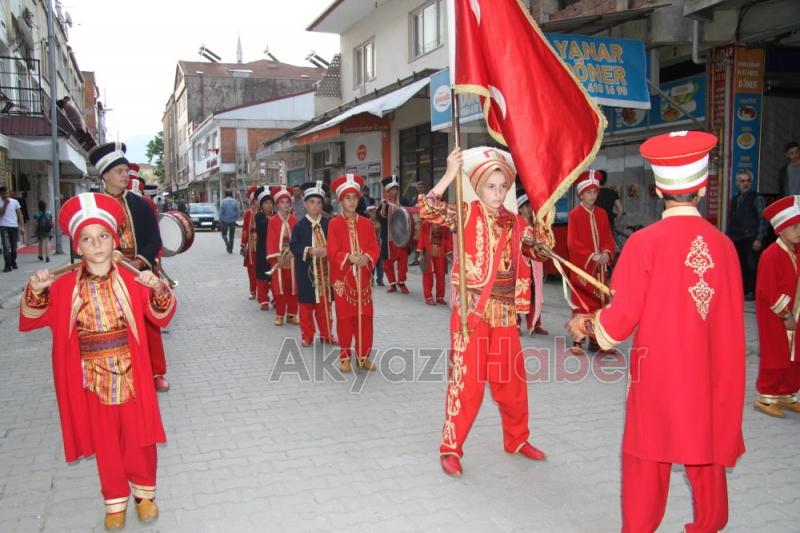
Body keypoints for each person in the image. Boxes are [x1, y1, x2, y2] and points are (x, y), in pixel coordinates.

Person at [567, 131, 745, 533]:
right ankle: (710, 522)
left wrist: (585, 323)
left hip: (660, 375)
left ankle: (640, 527)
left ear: (659, 187)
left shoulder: (645, 243)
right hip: (712, 372)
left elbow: (616, 326)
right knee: (705, 446)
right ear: (701, 187)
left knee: (648, 453)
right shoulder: (724, 246)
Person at [19, 192, 176, 531]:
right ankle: (114, 501)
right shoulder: (63, 288)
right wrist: (36, 290)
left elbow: (161, 315)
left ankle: (145, 496)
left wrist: (157, 287)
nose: (97, 245)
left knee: (139, 439)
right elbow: (32, 316)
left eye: (103, 236)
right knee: (106, 443)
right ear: (79, 246)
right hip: (91, 379)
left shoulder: (133, 279)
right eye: (88, 239)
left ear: (114, 239)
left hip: (133, 375)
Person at [418, 146, 546, 477]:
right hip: (472, 314)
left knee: (512, 382)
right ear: (478, 186)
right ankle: (450, 447)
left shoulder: (517, 222)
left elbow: (539, 251)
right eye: (491, 186)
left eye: (503, 187)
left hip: (505, 313)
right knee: (468, 382)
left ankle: (517, 439)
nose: (498, 192)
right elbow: (427, 209)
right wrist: (449, 173)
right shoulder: (467, 212)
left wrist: (543, 234)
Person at [88, 142, 170, 393]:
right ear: (105, 175)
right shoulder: (93, 206)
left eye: (126, 170)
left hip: (138, 272)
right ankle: (118, 371)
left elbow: (154, 240)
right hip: (105, 274)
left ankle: (156, 373)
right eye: (119, 171)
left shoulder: (141, 204)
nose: (126, 176)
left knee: (149, 323)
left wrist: (139, 263)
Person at [327, 174, 380, 372]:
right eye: (348, 198)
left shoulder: (366, 223)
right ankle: (344, 356)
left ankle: (363, 356)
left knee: (365, 318)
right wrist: (349, 258)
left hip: (363, 279)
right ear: (340, 200)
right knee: (344, 318)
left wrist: (366, 257)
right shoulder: (333, 224)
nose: (352, 201)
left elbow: (374, 248)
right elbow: (332, 250)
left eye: (355, 198)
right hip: (342, 280)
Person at [753, 195, 800, 417]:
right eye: (794, 227)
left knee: (794, 356)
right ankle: (767, 395)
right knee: (776, 355)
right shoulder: (771, 255)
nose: (798, 231)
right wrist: (785, 314)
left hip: (796, 314)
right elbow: (767, 290)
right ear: (780, 229)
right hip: (776, 316)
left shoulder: (796, 253)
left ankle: (787, 393)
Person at [567, 170, 616, 353]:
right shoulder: (574, 214)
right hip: (583, 268)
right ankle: (578, 341)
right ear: (581, 193)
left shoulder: (602, 214)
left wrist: (606, 253)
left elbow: (608, 238)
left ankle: (597, 341)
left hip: (599, 269)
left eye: (595, 192)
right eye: (589, 192)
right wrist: (591, 256)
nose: (592, 196)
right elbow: (573, 243)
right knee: (583, 303)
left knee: (600, 305)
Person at [289, 181, 337, 347]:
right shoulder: (299, 226)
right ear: (305, 204)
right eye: (311, 202)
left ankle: (326, 334)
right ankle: (307, 336)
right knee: (306, 307)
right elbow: (294, 246)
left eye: (318, 202)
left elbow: (336, 244)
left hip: (326, 274)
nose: (315, 206)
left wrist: (328, 250)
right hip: (307, 274)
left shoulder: (329, 224)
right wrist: (310, 250)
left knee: (325, 306)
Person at [726, 170, 767, 300]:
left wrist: (759, 239)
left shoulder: (757, 198)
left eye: (748, 180)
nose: (745, 183)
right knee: (740, 265)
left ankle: (752, 291)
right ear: (737, 183)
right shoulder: (735, 199)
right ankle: (743, 290)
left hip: (751, 237)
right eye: (742, 181)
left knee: (752, 265)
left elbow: (763, 219)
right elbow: (731, 220)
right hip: (736, 238)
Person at [515, 178, 547, 336]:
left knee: (535, 294)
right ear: (520, 209)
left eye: (530, 206)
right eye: (526, 206)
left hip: (535, 266)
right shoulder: (516, 223)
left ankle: (535, 323)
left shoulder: (537, 225)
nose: (529, 209)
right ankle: (515, 323)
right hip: (520, 266)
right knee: (518, 294)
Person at [267, 185, 299, 326]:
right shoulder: (273, 221)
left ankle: (292, 314)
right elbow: (271, 239)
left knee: (293, 287)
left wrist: (295, 252)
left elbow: (298, 239)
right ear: (277, 205)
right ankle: (280, 314)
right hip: (278, 260)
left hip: (293, 260)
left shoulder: (294, 220)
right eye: (282, 202)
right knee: (279, 288)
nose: (285, 205)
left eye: (287, 202)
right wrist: (276, 257)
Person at [377, 175, 410, 294]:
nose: (395, 192)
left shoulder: (404, 201)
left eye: (396, 189)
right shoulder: (383, 205)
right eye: (392, 190)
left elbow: (410, 213)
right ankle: (392, 284)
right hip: (388, 238)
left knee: (403, 261)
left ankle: (401, 282)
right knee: (387, 263)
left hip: (401, 238)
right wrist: (385, 207)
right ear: (387, 192)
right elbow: (381, 218)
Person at [416, 216, 451, 305]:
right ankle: (428, 296)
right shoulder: (426, 223)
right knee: (428, 274)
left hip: (440, 251)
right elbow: (422, 237)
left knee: (441, 274)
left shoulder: (444, 224)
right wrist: (420, 252)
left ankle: (440, 296)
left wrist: (448, 253)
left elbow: (447, 238)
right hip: (428, 251)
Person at [253, 187, 274, 311]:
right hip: (262, 249)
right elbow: (263, 227)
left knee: (275, 275)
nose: (269, 205)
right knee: (263, 276)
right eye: (266, 203)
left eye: (271, 202)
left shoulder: (276, 215)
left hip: (274, 249)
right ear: (261, 205)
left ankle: (276, 298)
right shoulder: (259, 217)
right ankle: (263, 299)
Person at [0, 185, 25, 272]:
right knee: (6, 247)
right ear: (0, 194)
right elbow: (1, 214)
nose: (6, 195)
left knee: (14, 248)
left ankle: (13, 262)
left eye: (7, 193)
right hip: (3, 227)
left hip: (14, 227)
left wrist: (22, 227)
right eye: (3, 194)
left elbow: (20, 214)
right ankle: (7, 266)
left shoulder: (15, 202)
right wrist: (5, 205)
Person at [241, 187, 259, 300]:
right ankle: (253, 291)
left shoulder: (265, 212)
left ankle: (263, 292)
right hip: (252, 245)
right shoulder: (248, 213)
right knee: (251, 269)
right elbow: (245, 230)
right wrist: (243, 245)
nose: (256, 202)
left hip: (262, 245)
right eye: (254, 200)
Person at [366, 205, 385, 286]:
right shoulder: (366, 223)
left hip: (379, 246)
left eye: (375, 212)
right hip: (370, 247)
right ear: (369, 213)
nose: (374, 214)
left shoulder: (379, 222)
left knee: (380, 264)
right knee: (371, 264)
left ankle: (380, 279)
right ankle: (370, 279)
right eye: (372, 212)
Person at [218, 189, 240, 254]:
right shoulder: (235, 201)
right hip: (233, 220)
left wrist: (220, 219)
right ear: (231, 194)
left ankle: (227, 243)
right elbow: (238, 211)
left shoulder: (223, 202)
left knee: (223, 234)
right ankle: (230, 248)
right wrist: (236, 218)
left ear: (225, 194)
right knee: (232, 235)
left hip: (224, 221)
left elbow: (221, 212)